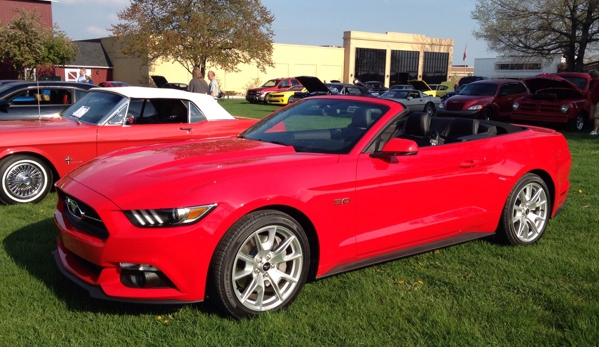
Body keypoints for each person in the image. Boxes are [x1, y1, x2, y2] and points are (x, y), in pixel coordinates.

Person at [590, 69, 599, 135]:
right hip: (594, 101)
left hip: (598, 101)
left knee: (597, 116)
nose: (591, 77)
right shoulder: (594, 82)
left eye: (591, 76)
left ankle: (595, 131)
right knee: (592, 116)